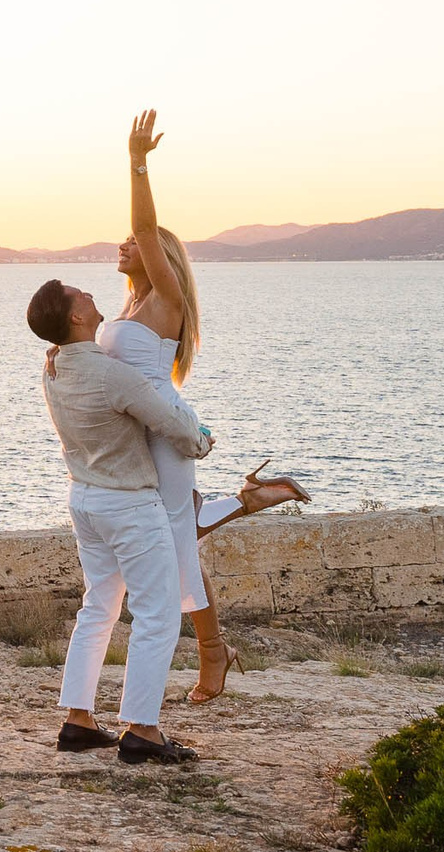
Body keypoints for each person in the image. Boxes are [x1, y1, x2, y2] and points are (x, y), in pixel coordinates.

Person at [97, 109, 308, 704]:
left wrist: (136, 163)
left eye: (134, 241)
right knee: (171, 529)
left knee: (173, 540)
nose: (123, 241)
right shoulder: (131, 308)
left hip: (163, 431)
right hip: (135, 431)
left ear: (157, 255)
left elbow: (145, 223)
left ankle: (213, 655)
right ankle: (247, 505)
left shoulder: (165, 299)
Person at [26, 277, 207, 765]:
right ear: (77, 318)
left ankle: (79, 720)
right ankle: (142, 729)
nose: (87, 292)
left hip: (84, 500)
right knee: (157, 614)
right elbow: (172, 426)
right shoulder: (113, 376)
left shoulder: (53, 368)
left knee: (98, 609)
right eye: (77, 294)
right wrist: (202, 440)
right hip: (128, 505)